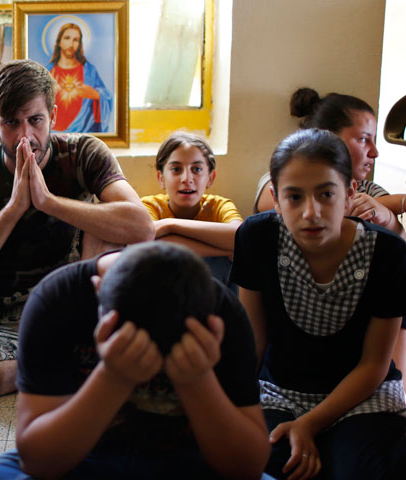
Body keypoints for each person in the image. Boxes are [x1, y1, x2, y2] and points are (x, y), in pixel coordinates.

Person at [0, 242, 270, 479]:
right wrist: (112, 378)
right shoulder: (59, 298)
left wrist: (197, 379)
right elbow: (37, 460)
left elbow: (248, 467)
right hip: (81, 455)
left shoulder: (218, 311)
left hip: (190, 462)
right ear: (98, 291)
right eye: (130, 335)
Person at [0, 59, 153, 391]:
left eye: (35, 120)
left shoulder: (83, 152)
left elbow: (142, 227)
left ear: (53, 115)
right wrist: (14, 209)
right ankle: (50, 363)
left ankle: (67, 355)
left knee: (106, 222)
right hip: (9, 313)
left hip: (78, 301)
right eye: (11, 122)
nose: (26, 135)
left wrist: (49, 202)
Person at [234, 128, 406, 480]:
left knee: (363, 470)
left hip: (363, 397)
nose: (311, 212)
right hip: (280, 392)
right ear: (275, 198)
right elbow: (252, 343)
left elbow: (374, 363)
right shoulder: (256, 238)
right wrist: (226, 406)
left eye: (326, 194)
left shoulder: (389, 254)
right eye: (294, 197)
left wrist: (309, 424)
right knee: (271, 461)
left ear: (350, 193)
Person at [253, 88, 404, 237]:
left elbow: (399, 242)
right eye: (363, 139)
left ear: (352, 189)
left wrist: (388, 216)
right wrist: (397, 202)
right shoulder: (282, 178)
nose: (374, 152)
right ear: (328, 136)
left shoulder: (371, 190)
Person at [140, 131, 242, 287]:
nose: (187, 179)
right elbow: (149, 242)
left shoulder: (219, 206)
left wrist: (170, 226)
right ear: (161, 178)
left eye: (197, 169)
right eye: (176, 169)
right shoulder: (149, 206)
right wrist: (225, 250)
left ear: (210, 178)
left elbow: (240, 237)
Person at [45, 23, 112, 133]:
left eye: (76, 40)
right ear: (59, 42)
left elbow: (107, 96)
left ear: (79, 43)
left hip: (84, 131)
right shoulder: (47, 72)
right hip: (52, 134)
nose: (71, 44)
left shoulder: (89, 71)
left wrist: (95, 94)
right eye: (67, 38)